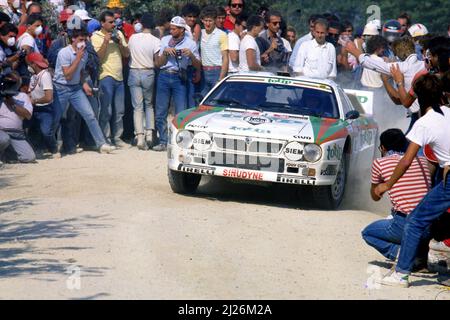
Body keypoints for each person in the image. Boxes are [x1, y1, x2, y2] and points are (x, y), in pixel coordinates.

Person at [375, 74, 450, 288]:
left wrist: (387, 184)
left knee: (415, 221)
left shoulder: (424, 123)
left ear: (418, 97)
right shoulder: (449, 113)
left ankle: (402, 274)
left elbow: (406, 161)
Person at [362, 129, 431, 264]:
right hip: (430, 225)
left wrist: (379, 184)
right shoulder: (423, 161)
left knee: (368, 233)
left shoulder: (380, 163)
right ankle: (420, 257)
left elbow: (375, 196)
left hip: (407, 224)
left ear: (382, 148)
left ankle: (401, 254)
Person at [53, 28, 115, 154]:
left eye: (85, 40)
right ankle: (54, 146)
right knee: (58, 118)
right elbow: (68, 75)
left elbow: (80, 71)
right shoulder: (64, 53)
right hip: (61, 88)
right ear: (73, 39)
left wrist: (84, 83)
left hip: (76, 88)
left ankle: (101, 144)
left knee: (90, 115)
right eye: (81, 40)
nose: (84, 43)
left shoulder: (85, 53)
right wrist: (78, 58)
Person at [345, 36, 425, 131]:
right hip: (424, 112)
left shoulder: (402, 66)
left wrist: (354, 51)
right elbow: (398, 100)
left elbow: (369, 63)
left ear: (398, 54)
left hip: (418, 115)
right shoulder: (424, 65)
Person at [153, 16, 201, 152]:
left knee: (180, 112)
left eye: (174, 29)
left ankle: (179, 142)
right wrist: (166, 53)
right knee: (161, 111)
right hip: (163, 75)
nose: (171, 31)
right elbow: (158, 63)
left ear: (182, 30)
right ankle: (163, 141)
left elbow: (198, 65)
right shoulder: (164, 40)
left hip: (179, 77)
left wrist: (191, 55)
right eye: (171, 28)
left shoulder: (190, 43)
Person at [91, 10, 130, 148]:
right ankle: (105, 139)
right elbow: (97, 59)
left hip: (119, 77)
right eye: (110, 22)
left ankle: (117, 138)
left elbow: (126, 54)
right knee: (106, 111)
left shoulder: (118, 34)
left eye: (114, 22)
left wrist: (119, 43)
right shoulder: (95, 37)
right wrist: (106, 42)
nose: (114, 24)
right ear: (102, 23)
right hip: (105, 76)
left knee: (119, 110)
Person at [127, 13, 160, 150]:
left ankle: (139, 136)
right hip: (148, 72)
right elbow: (157, 61)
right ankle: (149, 134)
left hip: (134, 71)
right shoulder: (155, 40)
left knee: (137, 107)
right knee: (149, 105)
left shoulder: (133, 38)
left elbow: (128, 53)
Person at [26, 52, 60, 157]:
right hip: (34, 109)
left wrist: (34, 101)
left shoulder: (45, 75)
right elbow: (30, 92)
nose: (29, 66)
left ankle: (54, 149)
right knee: (33, 131)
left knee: (46, 131)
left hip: (45, 109)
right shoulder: (33, 77)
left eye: (30, 64)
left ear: (35, 64)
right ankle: (38, 150)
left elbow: (49, 97)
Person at [0, 77, 36, 163]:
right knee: (4, 139)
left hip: (16, 134)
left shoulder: (23, 96)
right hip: (1, 131)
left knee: (30, 157)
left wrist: (12, 103)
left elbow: (28, 115)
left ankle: (8, 155)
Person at [199, 5, 228, 97]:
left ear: (215, 21)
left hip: (216, 72)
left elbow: (225, 58)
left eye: (210, 21)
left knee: (215, 102)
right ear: (202, 20)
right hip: (203, 72)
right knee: (201, 102)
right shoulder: (200, 33)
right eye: (205, 20)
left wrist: (220, 79)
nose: (208, 23)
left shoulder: (222, 35)